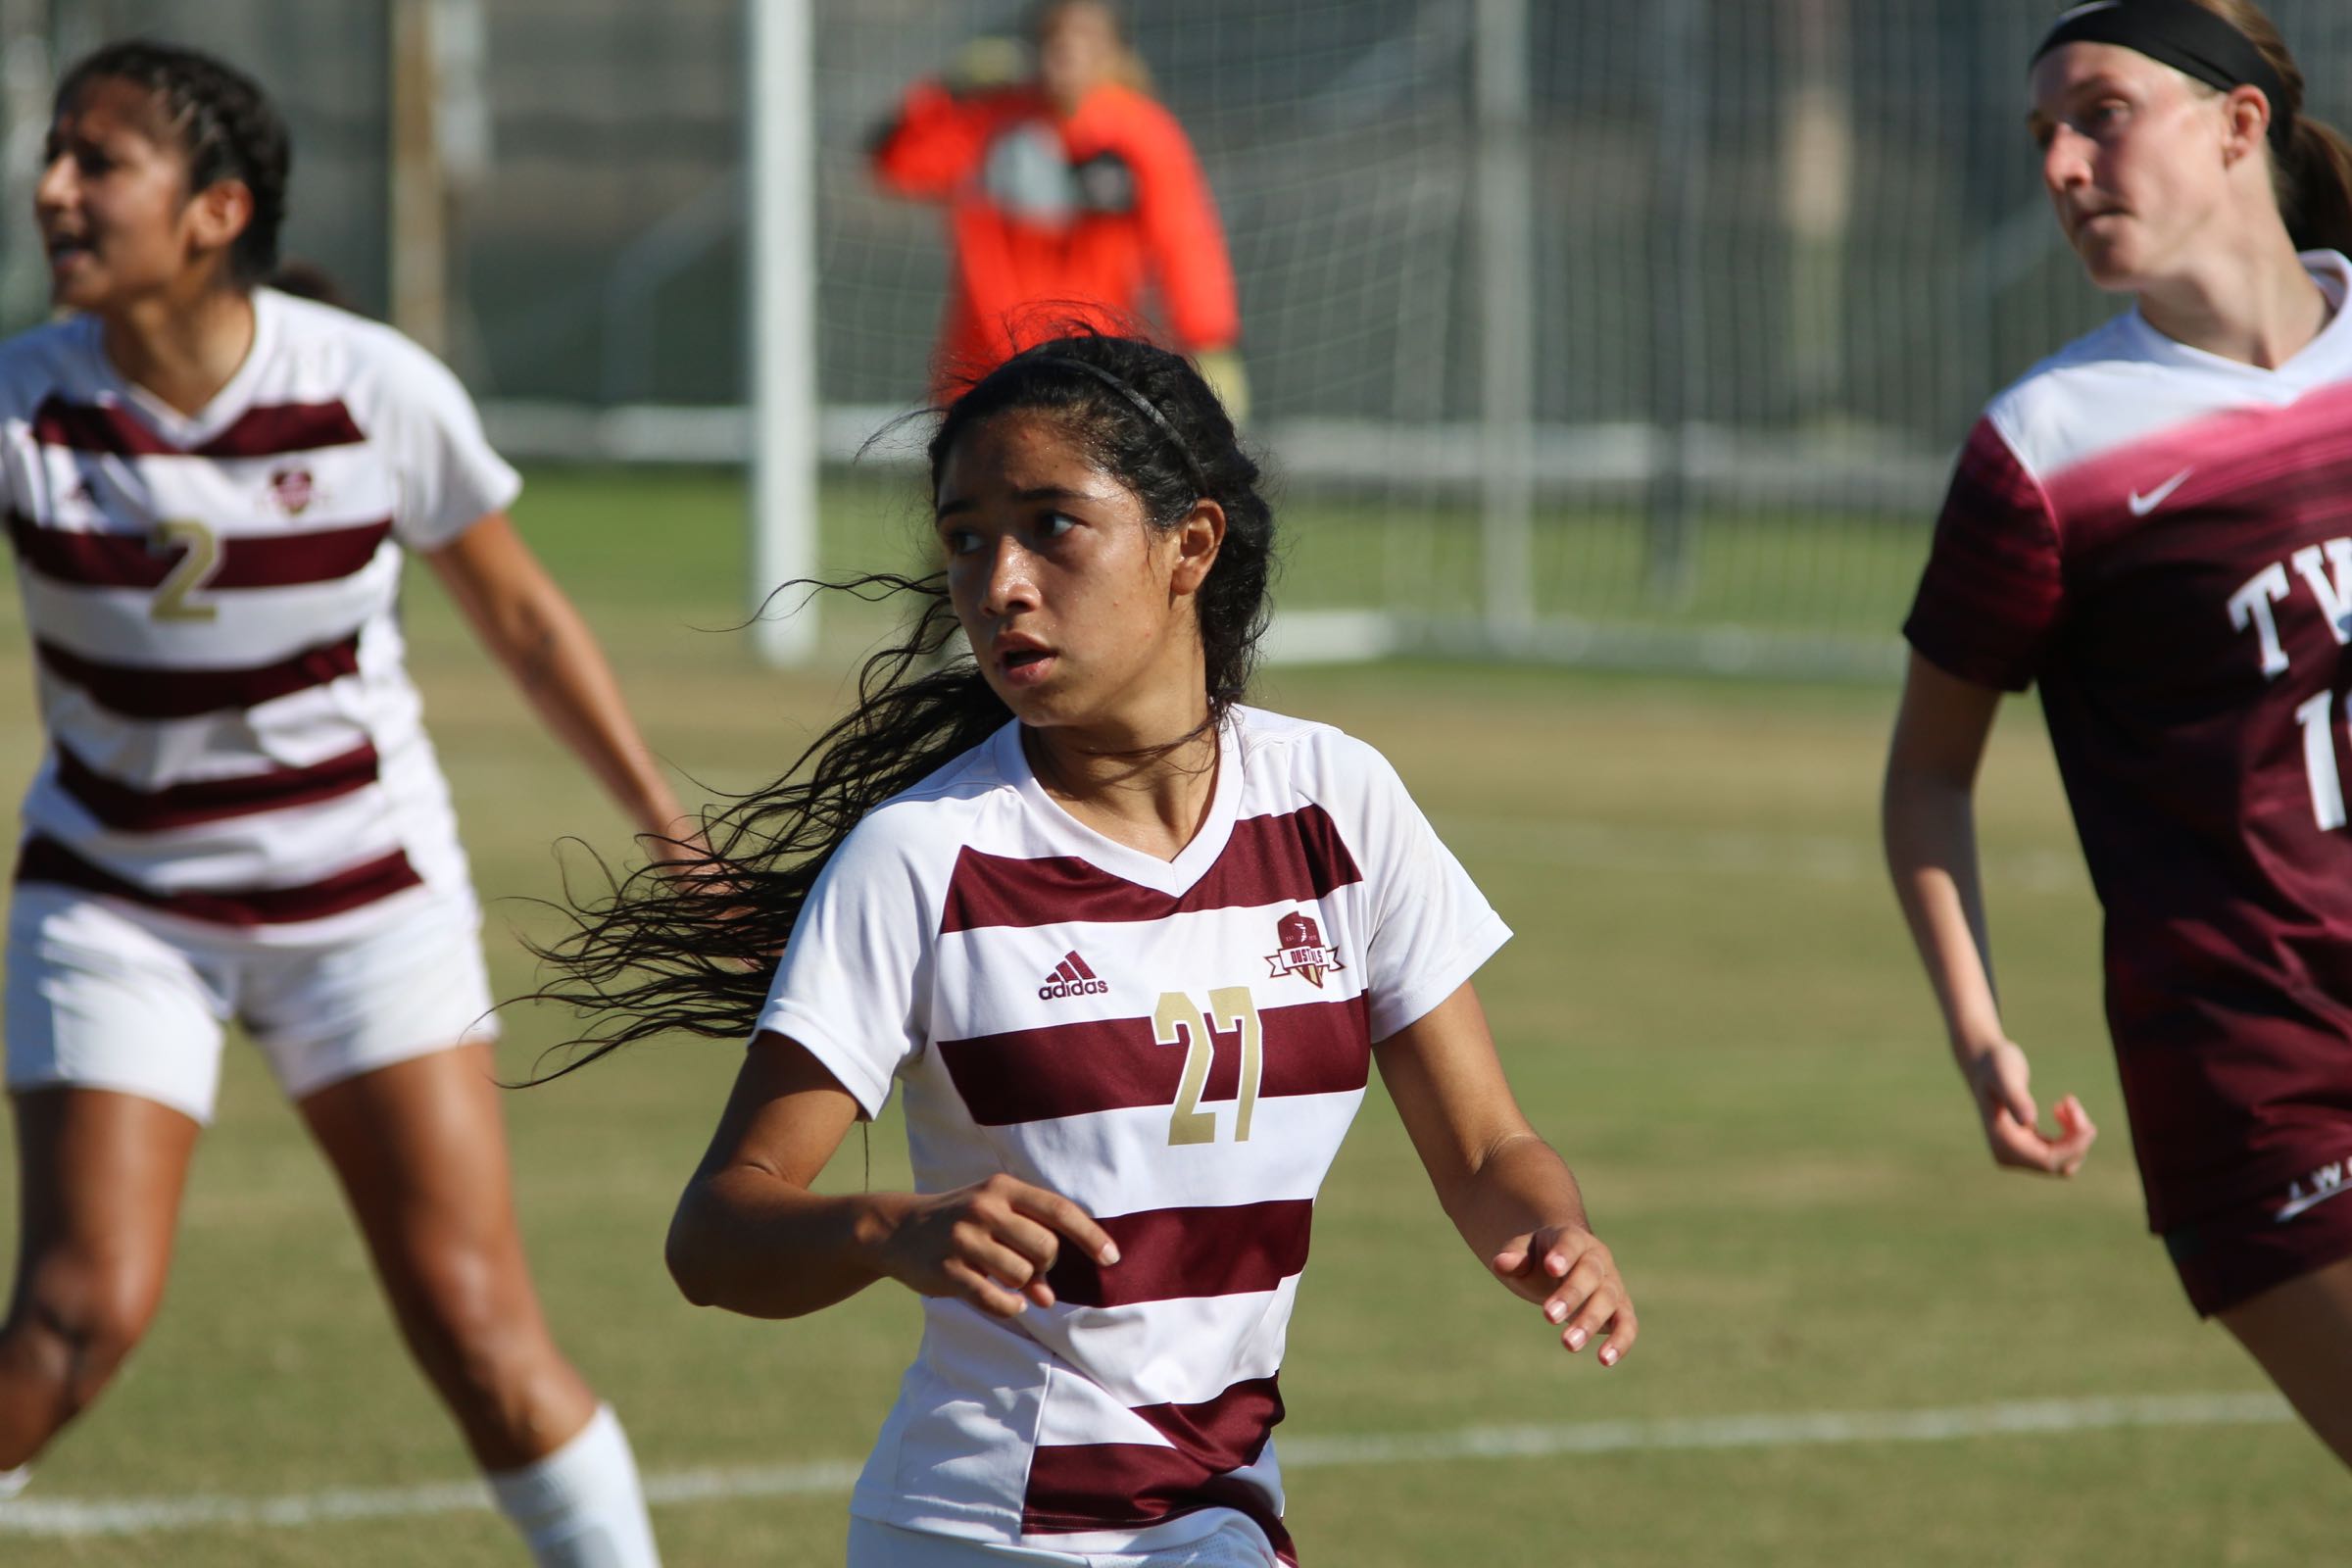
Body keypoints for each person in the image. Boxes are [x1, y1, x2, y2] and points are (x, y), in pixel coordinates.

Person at [535, 331, 1634, 1565]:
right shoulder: (925, 856)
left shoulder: (1339, 804)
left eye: (1052, 525)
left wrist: (1554, 1232)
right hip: (979, 1529)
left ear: (1189, 547)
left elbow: (1488, 1146)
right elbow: (718, 1233)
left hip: (1213, 1514)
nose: (998, 581)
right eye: (963, 539)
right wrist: (892, 1230)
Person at [0, 41, 670, 1564]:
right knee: (72, 1316)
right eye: (56, 156)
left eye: (98, 162)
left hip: (365, 905)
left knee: (482, 1336)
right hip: (117, 904)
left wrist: (663, 820)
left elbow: (527, 624)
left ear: (214, 210)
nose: (54, 189)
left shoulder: (370, 389)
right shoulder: (24, 407)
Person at [1885, 0, 2352, 1470]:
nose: (2064, 166)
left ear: (2236, 125)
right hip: (2264, 1070)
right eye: (2041, 136)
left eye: (2099, 113)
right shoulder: (2051, 446)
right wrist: (1980, 1040)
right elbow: (1927, 776)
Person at [869, 0, 1248, 416]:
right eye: (1054, 38)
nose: (1065, 52)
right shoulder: (989, 124)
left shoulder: (1140, 134)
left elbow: (1185, 241)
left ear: (1112, 52)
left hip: (1094, 364)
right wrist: (947, 88)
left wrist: (1210, 340)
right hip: (982, 365)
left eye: (1083, 39)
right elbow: (894, 164)